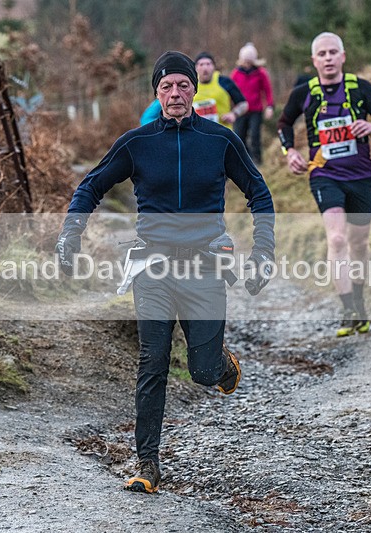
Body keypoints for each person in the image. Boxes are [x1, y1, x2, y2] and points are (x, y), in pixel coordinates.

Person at [56, 51, 275, 493]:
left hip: (205, 265)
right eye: (166, 87)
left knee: (201, 370)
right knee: (152, 360)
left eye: (183, 85)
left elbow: (259, 192)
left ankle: (220, 365)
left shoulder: (220, 139)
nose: (175, 93)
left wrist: (263, 252)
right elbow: (91, 186)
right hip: (152, 265)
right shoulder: (136, 142)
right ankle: (147, 464)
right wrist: (70, 235)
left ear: (195, 89)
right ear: (156, 92)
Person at [277, 32, 371, 337]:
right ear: (314, 60)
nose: (328, 58)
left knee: (359, 243)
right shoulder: (304, 92)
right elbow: (283, 124)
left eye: (333, 53)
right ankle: (347, 310)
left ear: (342, 57)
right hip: (324, 175)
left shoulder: (360, 88)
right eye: (322, 54)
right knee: (338, 239)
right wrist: (289, 152)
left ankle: (360, 302)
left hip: (360, 177)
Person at [231, 42, 274, 164]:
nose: (247, 64)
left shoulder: (261, 73)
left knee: (255, 136)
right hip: (240, 110)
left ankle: (258, 161)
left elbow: (267, 91)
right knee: (239, 137)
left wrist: (269, 106)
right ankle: (247, 160)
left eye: (249, 62)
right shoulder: (236, 74)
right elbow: (230, 91)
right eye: (245, 61)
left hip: (256, 110)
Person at [192, 52, 248, 129]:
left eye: (208, 64)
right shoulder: (190, 85)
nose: (205, 68)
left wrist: (234, 114)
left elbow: (243, 104)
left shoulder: (224, 82)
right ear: (195, 68)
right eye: (201, 64)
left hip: (222, 133)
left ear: (214, 67)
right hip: (198, 133)